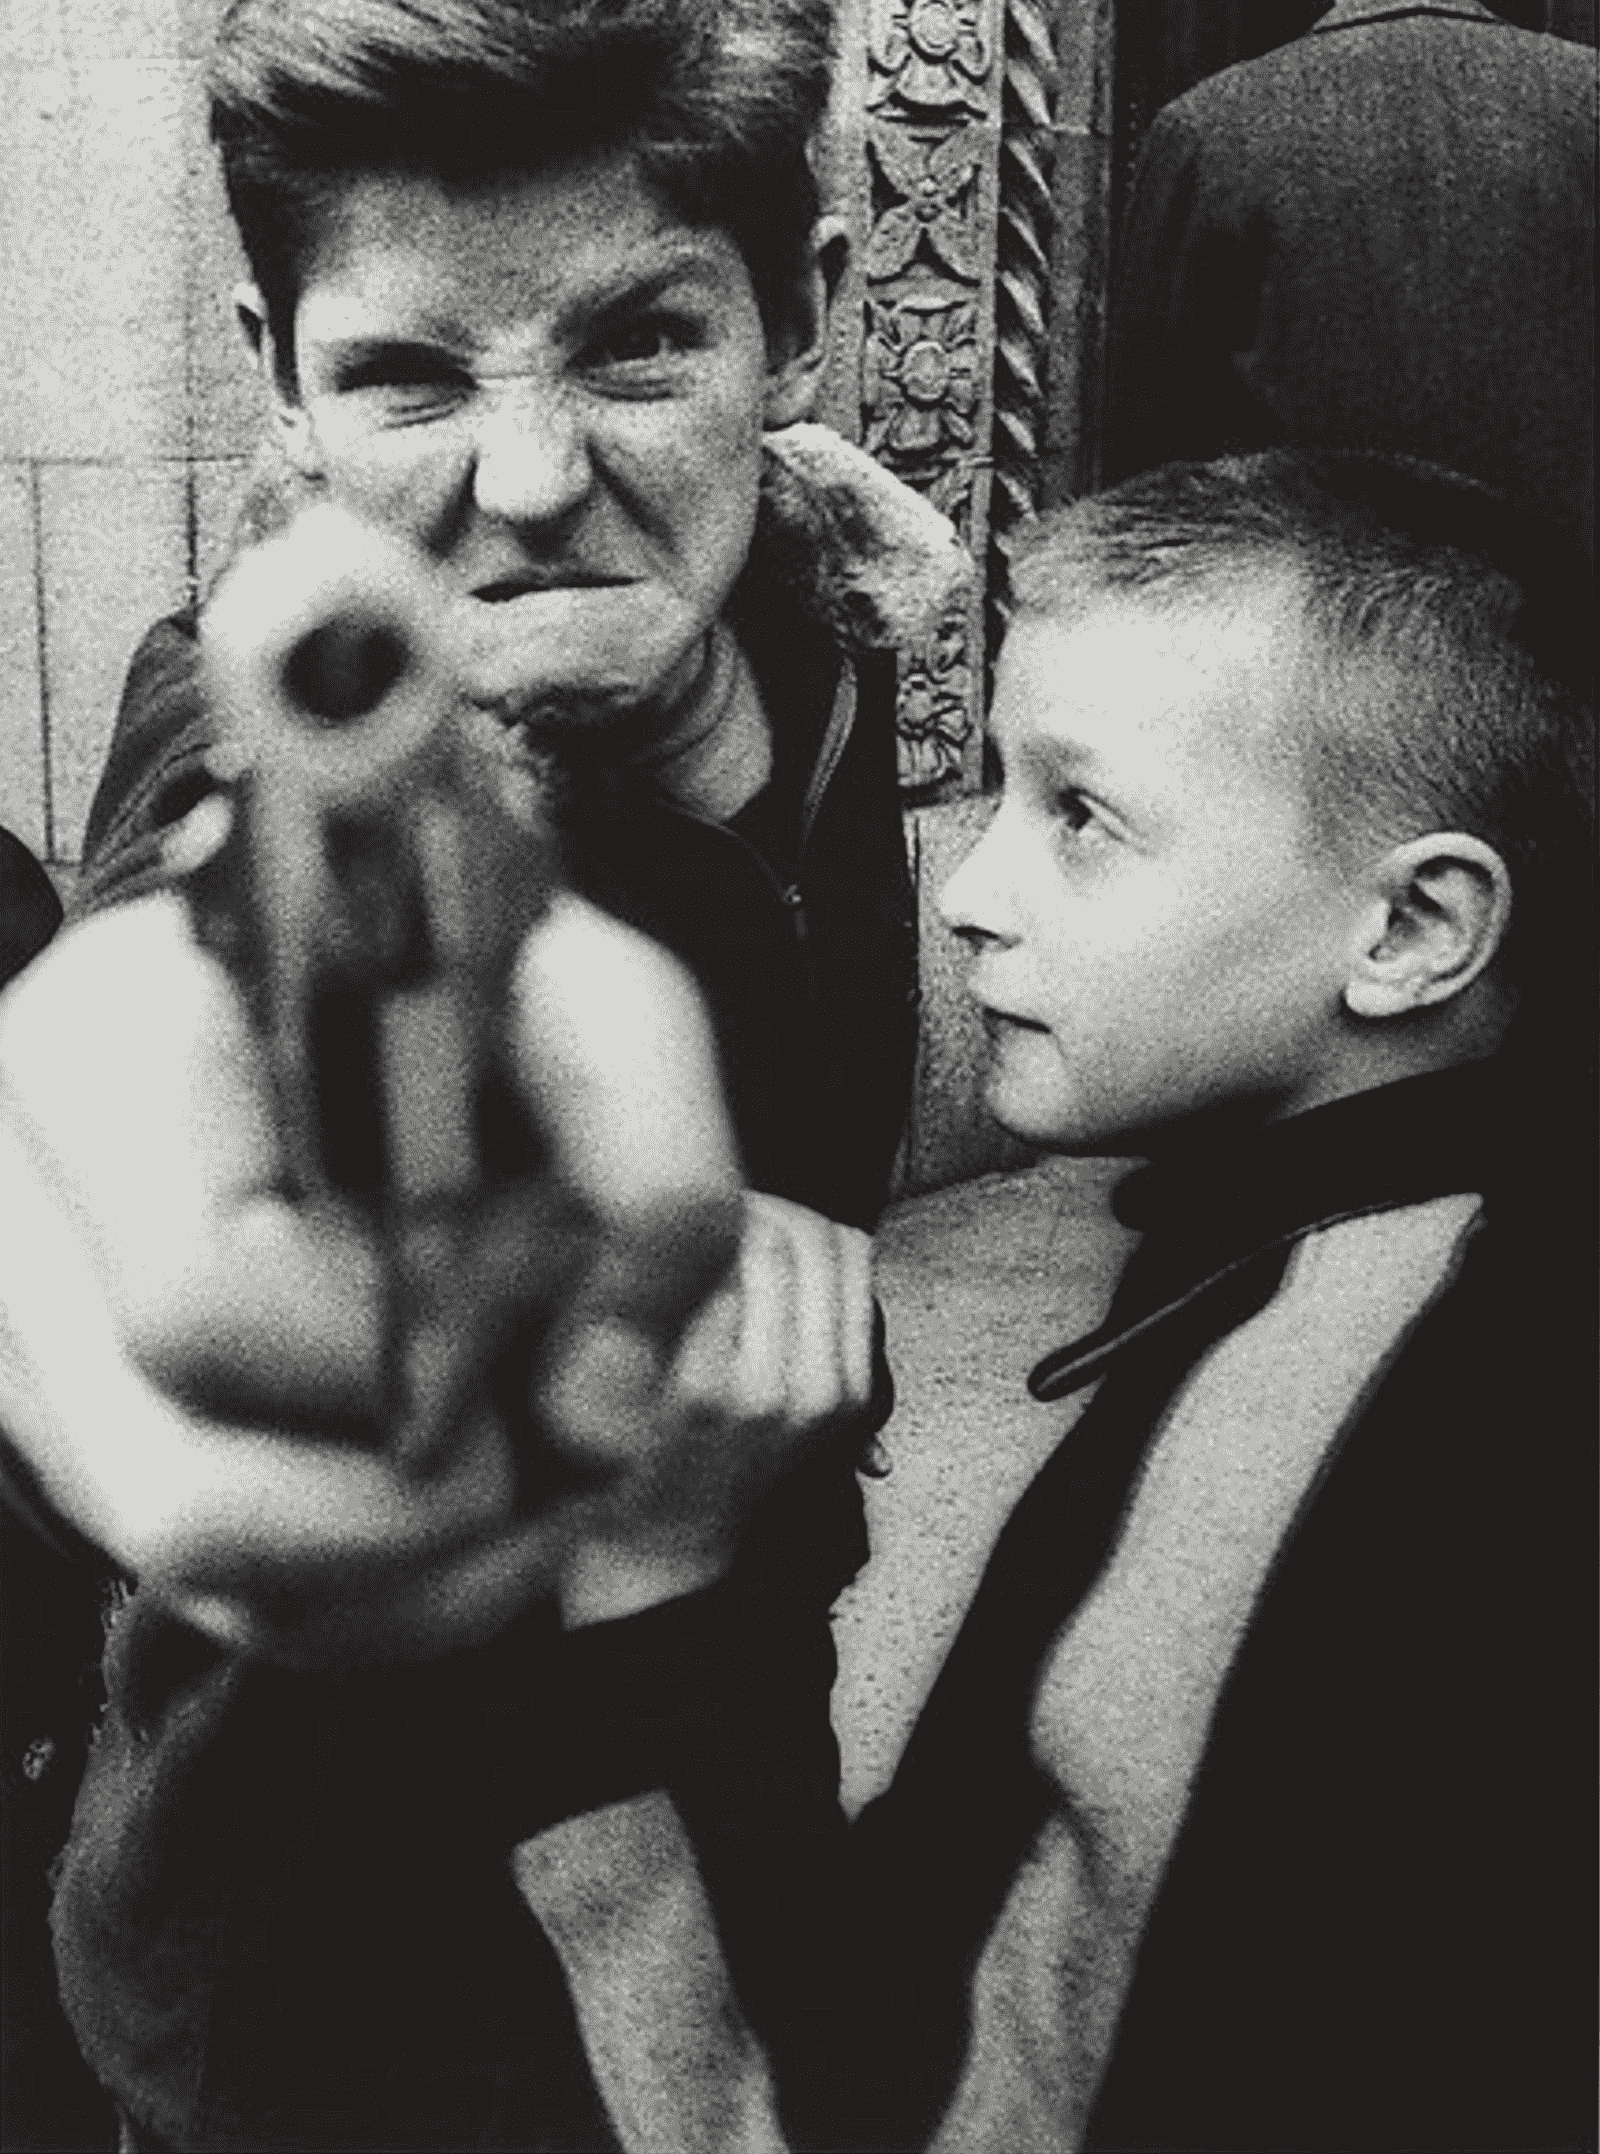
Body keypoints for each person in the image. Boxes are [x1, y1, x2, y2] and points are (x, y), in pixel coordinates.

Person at [0, 0, 966, 2144]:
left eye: (638, 347)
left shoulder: (807, 619)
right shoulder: (266, 756)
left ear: (800, 318)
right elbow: (146, 1017)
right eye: (408, 380)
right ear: (276, 377)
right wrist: (85, 1340)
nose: (527, 487)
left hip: (721, 1766)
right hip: (329, 1963)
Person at [474, 453, 1587, 2151]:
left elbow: (904, 2117)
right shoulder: (1403, 1260)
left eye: (1082, 816)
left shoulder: (1326, 1413)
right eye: (999, 788)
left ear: (1415, 926)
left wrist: (649, 1581)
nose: (973, 893)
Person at [1101, 0, 1596, 555]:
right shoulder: (1585, 100)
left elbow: (1145, 468)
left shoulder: (1207, 128)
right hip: (1557, 596)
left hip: (1295, 590)